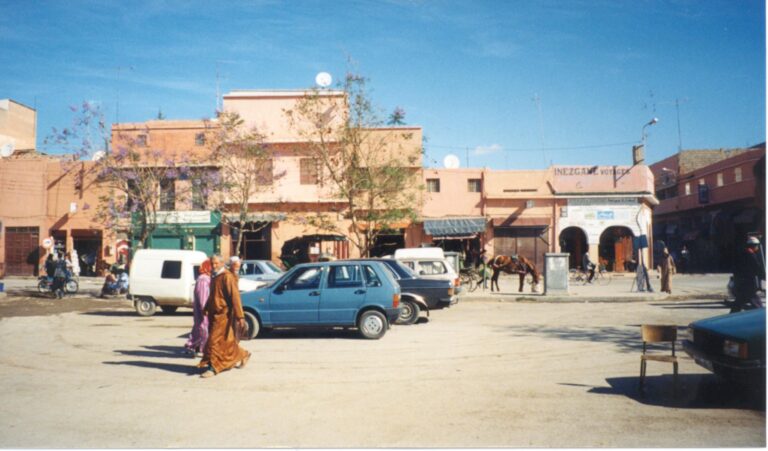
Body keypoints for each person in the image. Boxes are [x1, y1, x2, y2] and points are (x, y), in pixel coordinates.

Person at [198, 255, 251, 378]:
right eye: (212, 263)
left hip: (224, 315)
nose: (214, 266)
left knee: (213, 341)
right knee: (226, 342)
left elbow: (235, 296)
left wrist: (240, 316)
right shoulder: (215, 276)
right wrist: (206, 308)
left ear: (222, 263)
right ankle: (243, 354)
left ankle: (213, 368)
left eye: (216, 263)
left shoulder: (227, 277)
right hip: (214, 314)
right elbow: (213, 295)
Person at [731, 236, 766, 313]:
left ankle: (731, 315)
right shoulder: (751, 254)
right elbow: (756, 267)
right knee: (755, 301)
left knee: (740, 301)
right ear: (754, 245)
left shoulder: (742, 253)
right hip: (749, 282)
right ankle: (760, 314)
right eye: (757, 246)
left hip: (742, 281)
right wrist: (763, 275)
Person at [185, 259, 212, 357]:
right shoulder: (203, 279)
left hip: (203, 310)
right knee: (203, 328)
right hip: (203, 310)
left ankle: (194, 347)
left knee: (199, 328)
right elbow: (203, 297)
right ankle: (200, 348)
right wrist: (205, 309)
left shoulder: (205, 278)